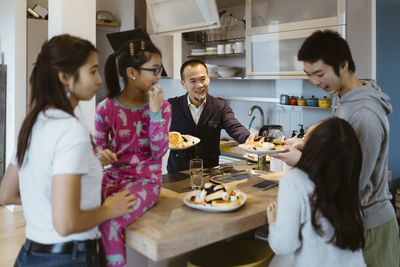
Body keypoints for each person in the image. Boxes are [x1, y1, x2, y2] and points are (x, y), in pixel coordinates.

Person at [0, 34, 136, 266]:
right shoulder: (71, 131)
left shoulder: (34, 123)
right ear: (64, 77)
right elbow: (66, 223)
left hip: (31, 254)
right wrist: (108, 210)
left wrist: (55, 202)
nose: (99, 80)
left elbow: (7, 194)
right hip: (68, 258)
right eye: (92, 71)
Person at [273, 30, 400, 266]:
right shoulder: (343, 97)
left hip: (370, 226)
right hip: (353, 222)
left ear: (343, 65)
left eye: (320, 73)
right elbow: (340, 151)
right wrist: (308, 144)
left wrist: (303, 161)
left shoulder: (364, 115)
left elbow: (350, 182)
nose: (315, 82)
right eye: (309, 75)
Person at [94, 29, 171, 267]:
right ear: (131, 73)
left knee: (110, 221)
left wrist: (155, 112)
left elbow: (159, 151)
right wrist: (100, 153)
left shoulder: (163, 107)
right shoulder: (105, 108)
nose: (159, 75)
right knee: (81, 214)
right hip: (111, 179)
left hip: (145, 182)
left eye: (160, 69)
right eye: (154, 69)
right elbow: (98, 146)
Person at [267, 118, 366, 266]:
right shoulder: (347, 181)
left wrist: (273, 222)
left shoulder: (294, 180)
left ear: (314, 146)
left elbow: (284, 246)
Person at [167, 59, 253, 173]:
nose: (200, 85)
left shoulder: (220, 106)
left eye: (203, 79)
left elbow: (234, 126)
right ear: (183, 84)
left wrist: (249, 138)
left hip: (208, 173)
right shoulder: (172, 106)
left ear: (209, 78)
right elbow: (154, 131)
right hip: (177, 173)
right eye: (193, 81)